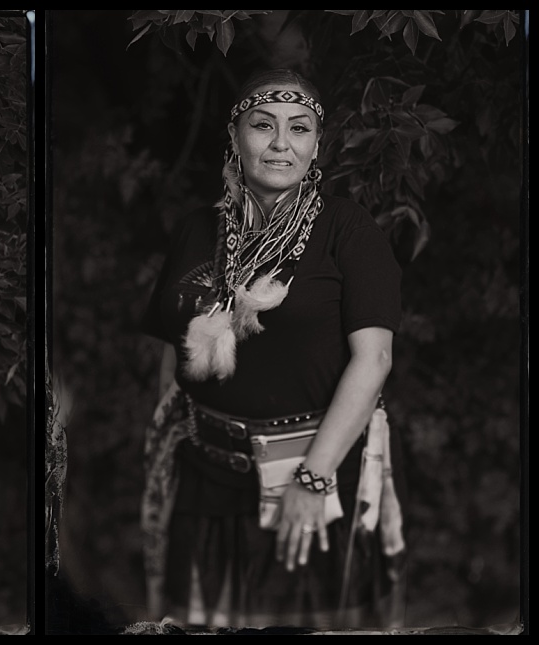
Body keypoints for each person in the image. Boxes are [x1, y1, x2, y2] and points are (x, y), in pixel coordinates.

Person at [140, 68, 407, 629]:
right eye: (263, 126)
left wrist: (313, 479)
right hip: (205, 478)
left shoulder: (347, 231)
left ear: (316, 148)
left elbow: (374, 360)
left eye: (299, 128)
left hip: (313, 480)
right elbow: (173, 344)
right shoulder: (197, 229)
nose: (281, 143)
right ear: (236, 139)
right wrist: (165, 434)